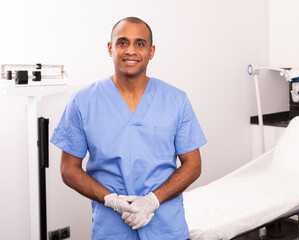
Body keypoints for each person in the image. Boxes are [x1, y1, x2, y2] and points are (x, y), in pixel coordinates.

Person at [50, 17, 207, 240]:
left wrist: (153, 200)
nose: (130, 50)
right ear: (110, 48)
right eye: (122, 42)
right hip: (112, 229)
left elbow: (193, 164)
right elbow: (69, 169)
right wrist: (111, 200)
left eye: (139, 43)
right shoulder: (83, 101)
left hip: (166, 229)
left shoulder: (176, 100)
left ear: (151, 51)